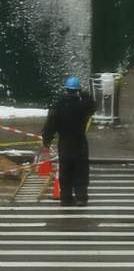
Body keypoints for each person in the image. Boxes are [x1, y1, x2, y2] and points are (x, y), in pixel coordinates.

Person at [42, 77, 96, 206]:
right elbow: (93, 105)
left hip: (64, 143)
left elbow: (50, 124)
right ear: (77, 90)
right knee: (81, 171)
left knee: (65, 171)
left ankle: (66, 198)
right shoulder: (82, 106)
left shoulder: (58, 105)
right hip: (80, 142)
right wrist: (84, 93)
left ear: (66, 90)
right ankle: (81, 197)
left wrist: (47, 139)